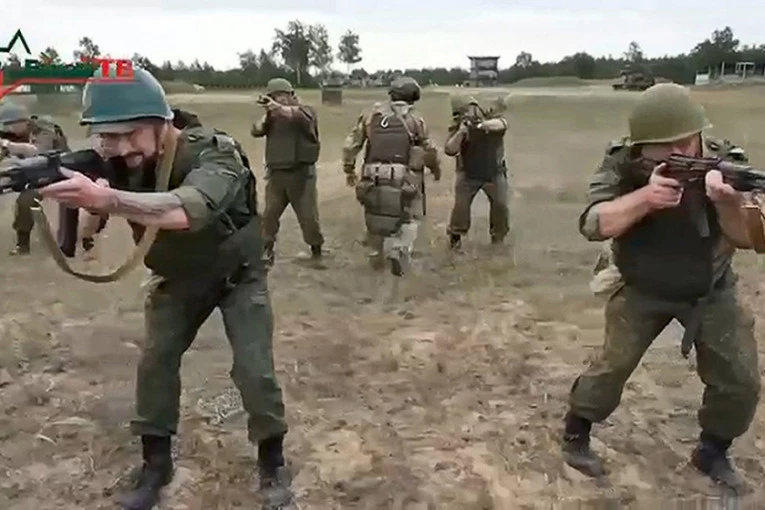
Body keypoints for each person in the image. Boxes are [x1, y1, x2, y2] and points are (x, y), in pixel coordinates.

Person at [38, 67, 294, 510]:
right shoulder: (117, 160)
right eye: (107, 137)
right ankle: (155, 464)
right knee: (156, 362)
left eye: (129, 134)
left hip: (237, 275)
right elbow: (90, 199)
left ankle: (272, 460)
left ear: (162, 122)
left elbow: (186, 211)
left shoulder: (215, 153)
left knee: (255, 370)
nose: (120, 148)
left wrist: (108, 199)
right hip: (177, 277)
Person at [561, 83, 761, 492]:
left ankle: (713, 450)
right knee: (612, 366)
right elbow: (593, 223)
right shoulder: (623, 162)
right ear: (642, 147)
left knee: (739, 379)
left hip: (709, 288)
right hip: (641, 285)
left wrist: (725, 202)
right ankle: (576, 432)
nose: (678, 153)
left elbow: (748, 239)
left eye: (685, 143)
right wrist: (646, 199)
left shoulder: (727, 163)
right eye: (662, 147)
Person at [341, 76, 441, 276]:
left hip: (372, 173)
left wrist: (349, 169)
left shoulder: (371, 116)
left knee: (375, 212)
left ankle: (375, 253)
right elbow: (429, 149)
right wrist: (435, 169)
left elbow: (351, 144)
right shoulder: (415, 119)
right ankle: (399, 250)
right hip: (405, 176)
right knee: (410, 216)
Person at [250, 77, 323, 266]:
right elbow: (256, 131)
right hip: (277, 174)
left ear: (291, 95)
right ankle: (267, 251)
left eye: (282, 95)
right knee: (269, 216)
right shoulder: (272, 116)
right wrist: (268, 113)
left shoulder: (306, 111)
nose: (279, 99)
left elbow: (299, 117)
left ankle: (316, 252)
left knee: (308, 217)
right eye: (274, 96)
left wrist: (278, 109)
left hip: (301, 174)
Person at [0, 104, 70, 255]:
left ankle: (22, 244)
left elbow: (40, 154)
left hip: (56, 172)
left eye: (10, 124)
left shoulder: (45, 130)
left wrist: (10, 146)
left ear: (23, 121)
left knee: (25, 201)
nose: (8, 129)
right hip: (28, 172)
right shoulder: (10, 134)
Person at [444, 94, 510, 249]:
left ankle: (498, 237)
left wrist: (480, 125)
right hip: (467, 173)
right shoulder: (459, 125)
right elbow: (450, 149)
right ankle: (455, 237)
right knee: (461, 208)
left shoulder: (492, 118)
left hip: (494, 172)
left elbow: (502, 124)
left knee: (500, 206)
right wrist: (461, 132)